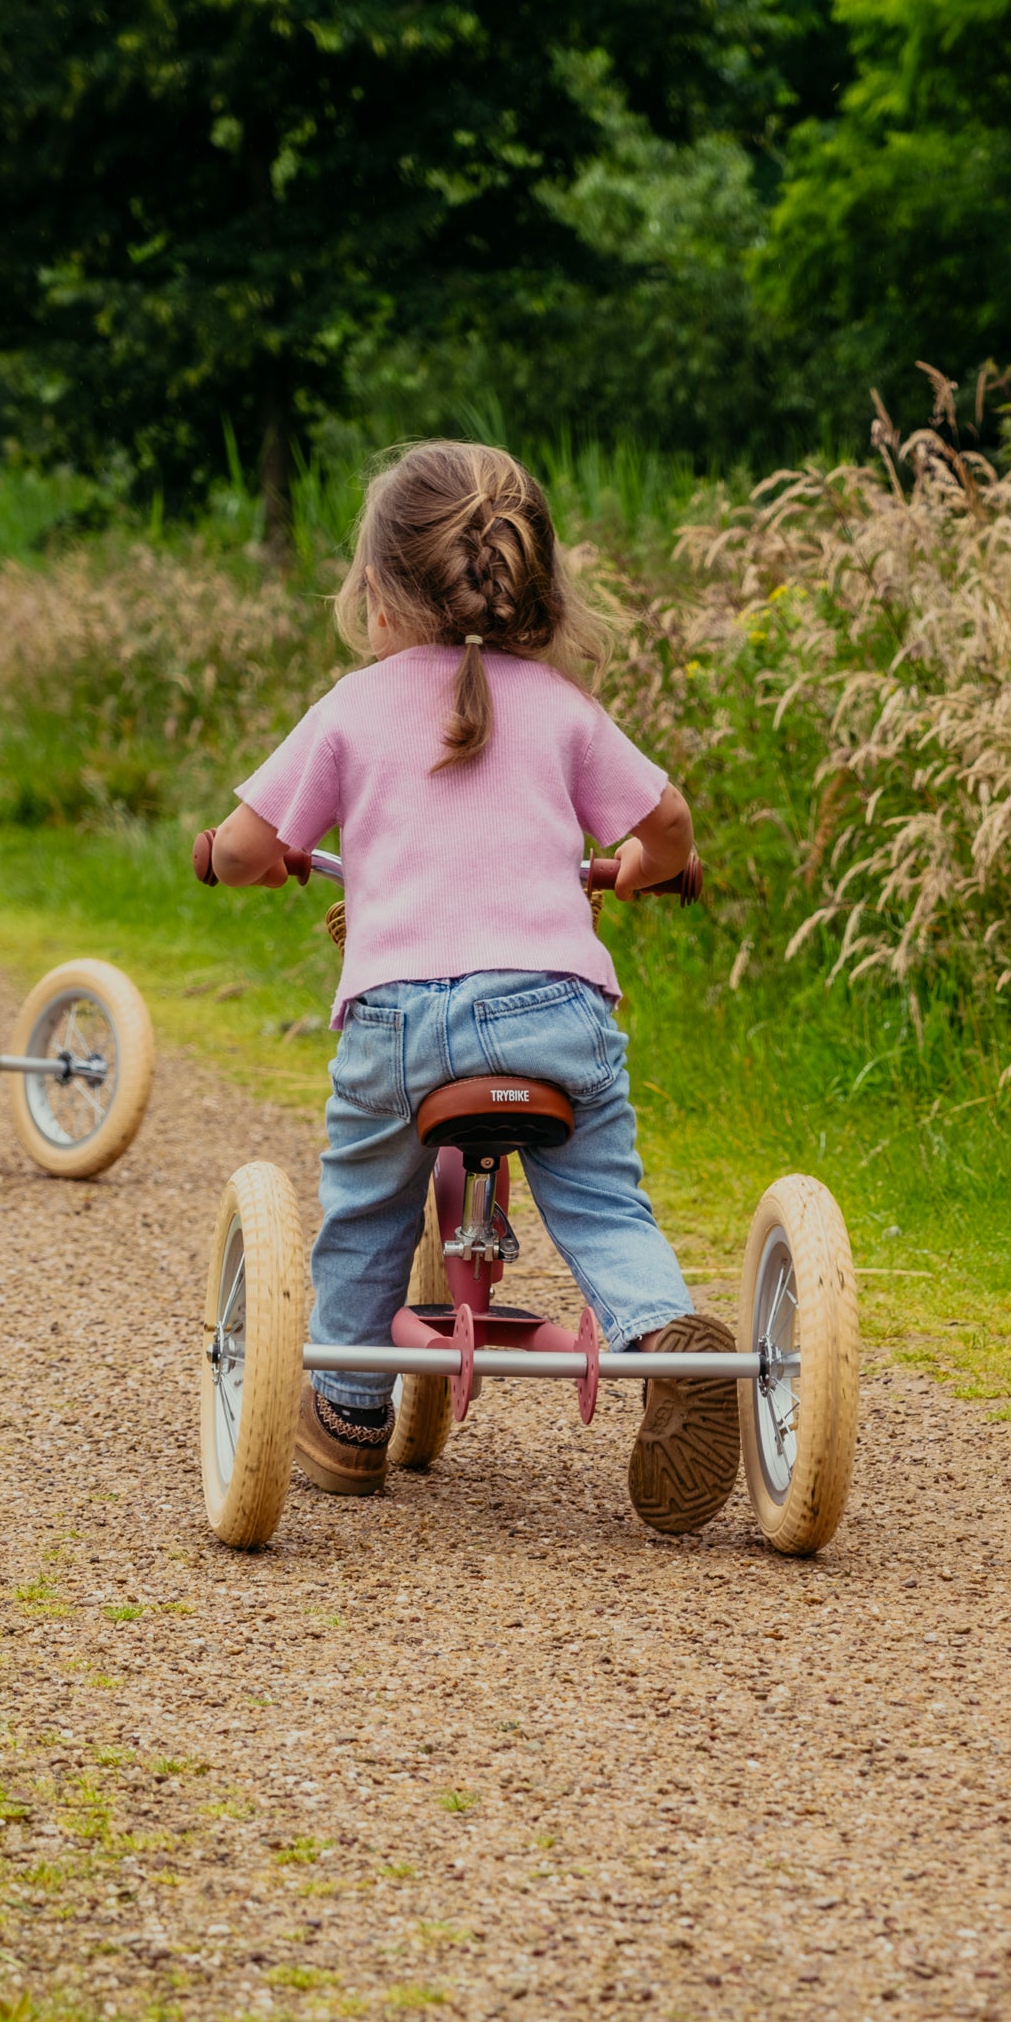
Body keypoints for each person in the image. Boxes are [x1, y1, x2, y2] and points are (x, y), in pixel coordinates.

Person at [198, 440, 738, 1516]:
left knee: (368, 1209)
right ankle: (660, 1341)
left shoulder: (353, 706)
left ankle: (350, 1412)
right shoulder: (565, 706)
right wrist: (642, 869)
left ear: (377, 592)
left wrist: (242, 861)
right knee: (603, 1199)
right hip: (554, 1015)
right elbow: (669, 823)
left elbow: (251, 843)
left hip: (402, 1024)